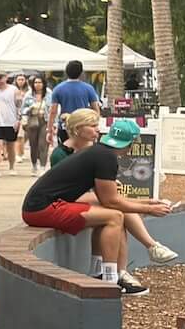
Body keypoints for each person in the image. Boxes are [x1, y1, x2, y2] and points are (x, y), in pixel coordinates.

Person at [21, 111, 177, 295]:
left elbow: (108, 199)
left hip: (41, 205)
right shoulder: (106, 157)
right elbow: (111, 201)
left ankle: (99, 273)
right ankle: (110, 279)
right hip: (42, 208)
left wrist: (149, 202)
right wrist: (149, 209)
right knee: (114, 217)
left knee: (109, 214)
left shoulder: (99, 152)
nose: (96, 129)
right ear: (131, 143)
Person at [0, 73, 22, 173]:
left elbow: (19, 106)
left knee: (10, 145)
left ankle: (12, 167)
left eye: (0, 78)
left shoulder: (13, 90)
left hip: (11, 121)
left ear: (6, 78)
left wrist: (18, 120)